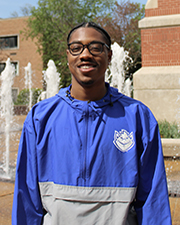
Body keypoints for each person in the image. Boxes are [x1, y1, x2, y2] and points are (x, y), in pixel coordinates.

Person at [12, 22, 172, 225]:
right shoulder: (39, 118)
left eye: (95, 47)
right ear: (68, 56)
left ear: (110, 56)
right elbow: (26, 198)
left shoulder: (138, 117)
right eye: (76, 48)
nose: (85, 54)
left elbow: (153, 201)